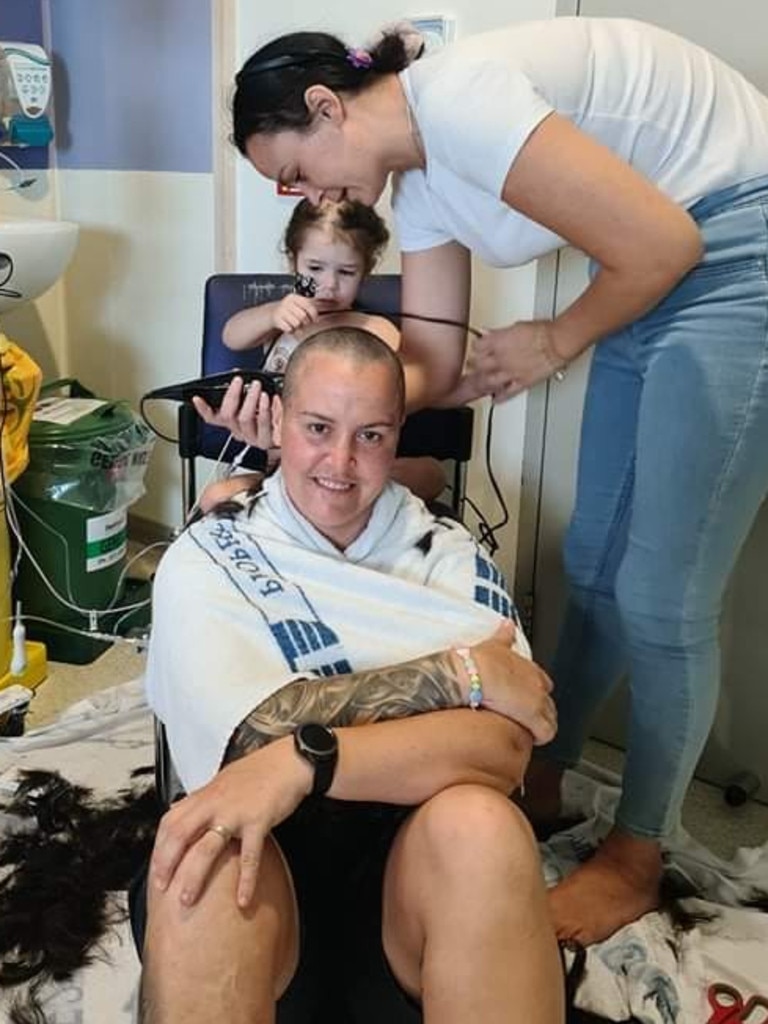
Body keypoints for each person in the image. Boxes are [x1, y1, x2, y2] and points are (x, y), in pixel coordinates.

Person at [226, 18, 768, 945]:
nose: (306, 196)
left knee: (661, 595)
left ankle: (639, 853)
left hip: (734, 256)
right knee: (591, 561)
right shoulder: (426, 186)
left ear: (325, 108)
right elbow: (432, 360)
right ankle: (547, 775)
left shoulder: (462, 98)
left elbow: (668, 243)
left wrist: (554, 339)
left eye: (294, 171)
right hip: (648, 275)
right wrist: (316, 409)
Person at [133, 328, 564, 1023]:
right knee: (205, 854)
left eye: (370, 435)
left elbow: (508, 747)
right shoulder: (212, 553)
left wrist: (308, 761)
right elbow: (245, 738)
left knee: (483, 825)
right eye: (317, 427)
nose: (340, 461)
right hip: (260, 879)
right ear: (279, 422)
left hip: (417, 892)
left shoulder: (447, 556)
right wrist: (458, 675)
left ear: (397, 437)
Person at [193, 196, 445, 513]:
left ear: (365, 273)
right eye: (314, 268)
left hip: (353, 469)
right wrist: (272, 314)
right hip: (281, 473)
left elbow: (404, 392)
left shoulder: (375, 329)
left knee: (431, 474)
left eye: (346, 272)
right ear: (293, 262)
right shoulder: (284, 322)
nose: (328, 285)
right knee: (215, 496)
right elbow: (232, 335)